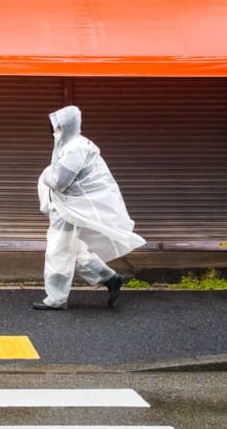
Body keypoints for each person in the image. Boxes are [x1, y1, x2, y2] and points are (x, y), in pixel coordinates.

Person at [33, 105, 145, 310]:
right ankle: (110, 277)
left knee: (58, 250)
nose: (53, 131)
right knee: (72, 247)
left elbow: (59, 182)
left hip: (69, 208)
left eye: (56, 127)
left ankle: (56, 299)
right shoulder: (69, 145)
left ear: (66, 126)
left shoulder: (75, 148)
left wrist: (45, 175)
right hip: (67, 206)